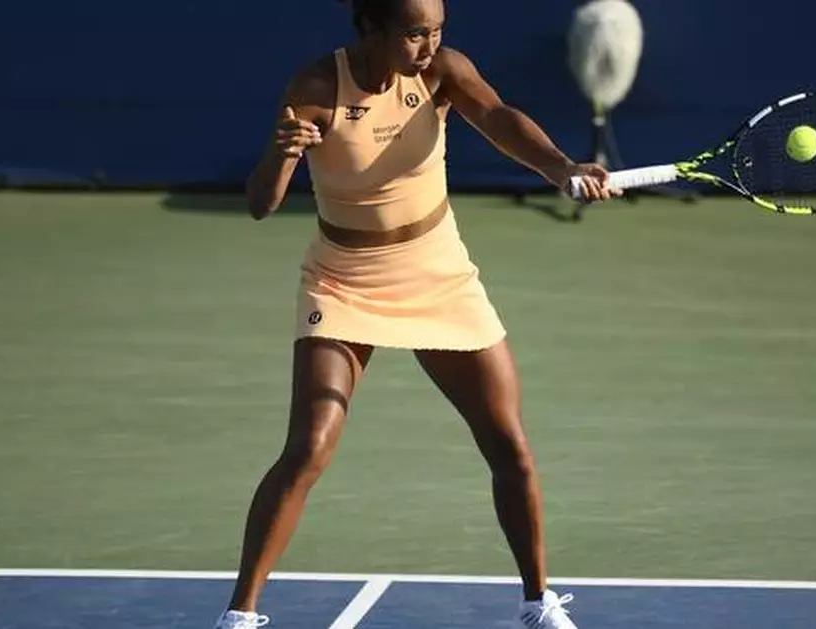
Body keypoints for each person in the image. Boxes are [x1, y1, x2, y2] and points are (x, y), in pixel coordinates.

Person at [215, 0, 615, 627]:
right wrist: (281, 152)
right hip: (343, 281)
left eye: (435, 31)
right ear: (370, 29)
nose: (426, 45)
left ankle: (538, 603)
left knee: (509, 445)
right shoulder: (318, 86)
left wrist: (560, 167)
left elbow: (498, 116)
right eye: (412, 33)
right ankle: (240, 615)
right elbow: (263, 204)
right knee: (310, 446)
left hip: (438, 273)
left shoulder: (442, 72)